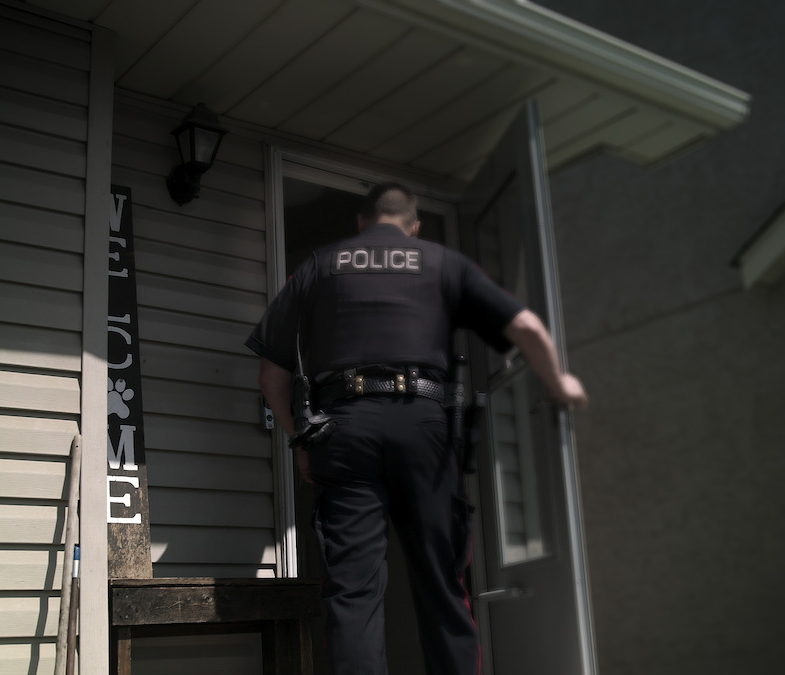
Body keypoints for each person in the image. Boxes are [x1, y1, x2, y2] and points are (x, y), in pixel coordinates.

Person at [246, 183, 586, 675]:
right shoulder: (441, 261)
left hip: (342, 427)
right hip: (424, 424)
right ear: (415, 227)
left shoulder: (321, 265)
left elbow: (270, 375)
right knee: (443, 584)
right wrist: (560, 384)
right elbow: (529, 329)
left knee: (353, 590)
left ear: (362, 223)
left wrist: (300, 439)